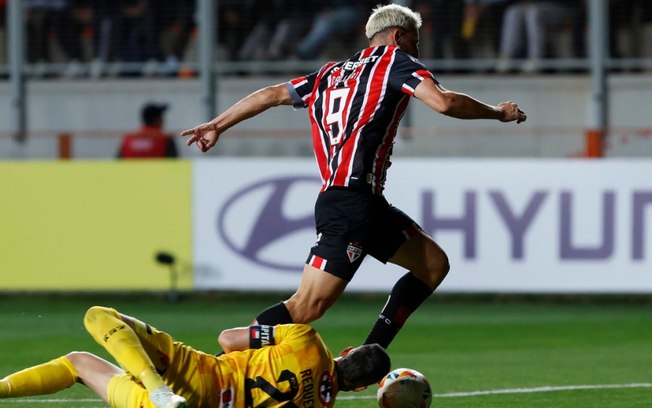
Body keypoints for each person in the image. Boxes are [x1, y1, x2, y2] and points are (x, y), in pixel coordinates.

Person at [181, 4, 527, 350]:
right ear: (397, 36)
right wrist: (497, 112)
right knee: (307, 306)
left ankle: (368, 358)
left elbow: (271, 94)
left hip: (366, 203)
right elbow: (445, 103)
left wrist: (218, 124)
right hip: (349, 204)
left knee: (433, 265)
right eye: (416, 42)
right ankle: (235, 347)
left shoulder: (329, 73)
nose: (418, 51)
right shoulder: (395, 60)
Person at [0, 305, 391, 408]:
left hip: (200, 375)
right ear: (359, 388)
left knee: (98, 319)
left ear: (347, 351)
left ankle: (157, 388)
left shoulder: (307, 339)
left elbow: (228, 339)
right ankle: (155, 396)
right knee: (79, 365)